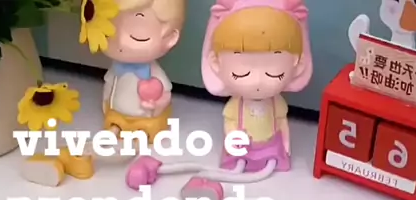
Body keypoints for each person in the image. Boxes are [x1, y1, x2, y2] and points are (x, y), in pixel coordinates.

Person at [201, 0, 312, 174]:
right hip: (242, 147)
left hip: (271, 146)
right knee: (237, 162)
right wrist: (233, 141)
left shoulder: (277, 104)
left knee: (272, 160)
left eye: (273, 74)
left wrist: (286, 145)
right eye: (242, 74)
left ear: (299, 64)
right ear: (215, 62)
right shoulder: (236, 106)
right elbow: (230, 124)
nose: (258, 81)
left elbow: (281, 123)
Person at [102, 0, 186, 142]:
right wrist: (106, 103)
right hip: (117, 114)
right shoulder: (116, 69)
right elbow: (110, 85)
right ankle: (114, 131)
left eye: (138, 37)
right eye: (108, 33)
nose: (121, 42)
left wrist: (157, 105)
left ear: (170, 38)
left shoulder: (154, 74)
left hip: (144, 118)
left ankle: (138, 138)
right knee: (114, 126)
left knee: (142, 132)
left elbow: (166, 95)